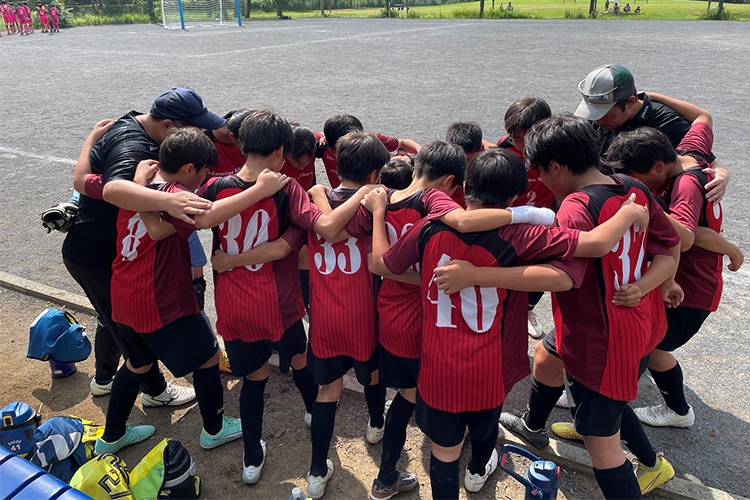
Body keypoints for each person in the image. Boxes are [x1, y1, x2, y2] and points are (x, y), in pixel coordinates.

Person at [370, 146, 651, 500]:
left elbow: (383, 263)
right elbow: (589, 250)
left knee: (444, 451)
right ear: (515, 197)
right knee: (485, 431)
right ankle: (478, 472)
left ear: (465, 187)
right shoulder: (520, 235)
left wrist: (379, 215)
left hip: (438, 368)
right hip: (489, 369)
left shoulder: (429, 227)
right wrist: (628, 213)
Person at [344, 141, 556, 500]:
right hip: (434, 329)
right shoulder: (437, 204)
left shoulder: (392, 202)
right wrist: (535, 215)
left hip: (396, 320)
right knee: (446, 406)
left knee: (411, 403)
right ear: (450, 182)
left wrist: (375, 210)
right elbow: (466, 223)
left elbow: (369, 254)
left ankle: (385, 464)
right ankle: (458, 468)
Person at [498, 114, 680, 498]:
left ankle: (648, 465)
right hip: (635, 324)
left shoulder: (576, 208)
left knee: (603, 444)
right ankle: (534, 426)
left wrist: (481, 275)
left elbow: (562, 278)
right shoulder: (631, 186)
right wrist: (649, 285)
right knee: (548, 356)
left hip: (603, 339)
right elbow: (670, 245)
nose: (541, 181)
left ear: (556, 167)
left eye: (541, 172)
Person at [95, 128, 289, 455]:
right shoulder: (177, 197)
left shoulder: (140, 187)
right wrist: (259, 190)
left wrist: (140, 181)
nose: (205, 179)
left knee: (137, 362)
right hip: (160, 299)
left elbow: (144, 219)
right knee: (208, 356)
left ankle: (112, 435)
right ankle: (214, 428)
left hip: (124, 293)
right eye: (204, 172)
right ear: (189, 169)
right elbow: (205, 218)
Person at [198, 110, 367, 486]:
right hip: (279, 304)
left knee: (254, 377)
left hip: (234, 305)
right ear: (279, 152)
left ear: (242, 144)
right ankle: (312, 411)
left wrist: (228, 261)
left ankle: (252, 458)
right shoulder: (287, 188)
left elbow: (200, 219)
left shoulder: (216, 186)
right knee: (301, 359)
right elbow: (320, 231)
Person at [63, 88, 219, 403]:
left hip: (106, 251)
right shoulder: (136, 151)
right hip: (100, 254)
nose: (200, 134)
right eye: (194, 127)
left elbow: (81, 182)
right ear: (167, 126)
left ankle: (104, 378)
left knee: (116, 320)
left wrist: (90, 140)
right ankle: (154, 392)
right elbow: (114, 191)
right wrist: (168, 200)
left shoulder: (134, 124)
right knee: (134, 342)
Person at [606, 95, 742, 429]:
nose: (633, 184)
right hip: (684, 281)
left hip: (690, 288)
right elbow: (703, 117)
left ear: (657, 167)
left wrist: (642, 202)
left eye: (635, 177)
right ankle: (670, 409)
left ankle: (650, 413)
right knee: (649, 345)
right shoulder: (689, 155)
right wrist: (651, 96)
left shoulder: (685, 186)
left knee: (646, 346)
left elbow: (687, 235)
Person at [498, 97, 556, 339]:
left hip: (544, 224)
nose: (521, 144)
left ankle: (528, 308)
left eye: (526, 137)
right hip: (509, 223)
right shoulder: (505, 151)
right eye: (516, 137)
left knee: (541, 272)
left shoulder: (557, 150)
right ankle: (507, 310)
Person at [321, 114, 421, 188]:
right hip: (346, 196)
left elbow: (403, 143)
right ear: (335, 147)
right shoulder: (323, 144)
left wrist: (421, 154)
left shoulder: (369, 141)